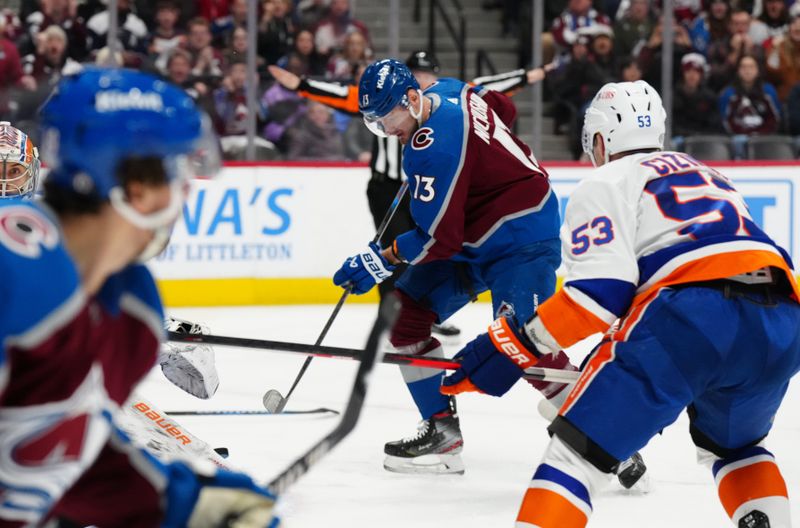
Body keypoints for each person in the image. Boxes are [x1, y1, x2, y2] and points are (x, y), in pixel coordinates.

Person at [441, 80, 800, 528]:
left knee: (574, 457)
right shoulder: (708, 173)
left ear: (600, 138)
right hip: (781, 323)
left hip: (692, 318)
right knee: (737, 449)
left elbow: (596, 298)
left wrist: (508, 344)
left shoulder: (608, 179)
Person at [0, 67, 278, 527]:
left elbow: (57, 452)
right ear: (134, 185)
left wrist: (172, 501)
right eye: (178, 173)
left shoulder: (132, 310)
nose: (186, 193)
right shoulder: (13, 275)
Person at [332, 58, 570, 475]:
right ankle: (441, 432)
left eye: (387, 118)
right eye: (375, 123)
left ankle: (602, 434)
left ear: (410, 98)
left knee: (524, 342)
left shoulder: (432, 148)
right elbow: (501, 106)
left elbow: (435, 240)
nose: (387, 131)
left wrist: (379, 260)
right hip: (475, 237)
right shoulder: (448, 89)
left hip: (522, 238)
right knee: (405, 318)